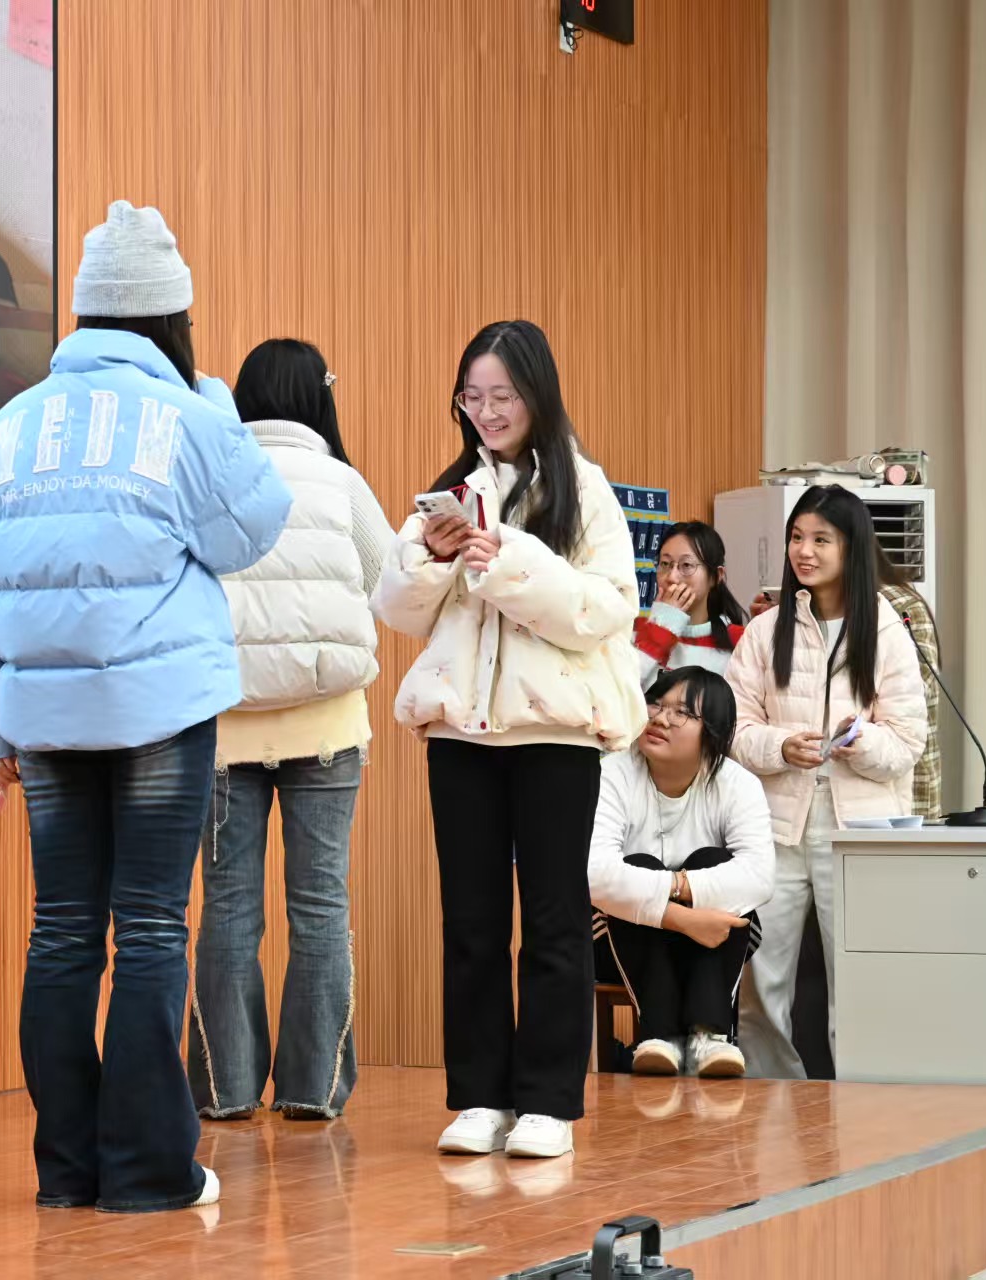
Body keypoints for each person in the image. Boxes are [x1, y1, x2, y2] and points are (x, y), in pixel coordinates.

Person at [0, 201, 291, 1212]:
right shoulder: (187, 420)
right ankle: (147, 1171)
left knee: (61, 932)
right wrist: (213, 403)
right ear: (172, 320)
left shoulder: (0, 433)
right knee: (148, 928)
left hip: (45, 723)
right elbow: (254, 527)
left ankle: (69, 1169)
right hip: (157, 712)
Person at [376, 319, 646, 1159]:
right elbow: (395, 613)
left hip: (556, 735)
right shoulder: (450, 491)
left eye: (502, 396)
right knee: (472, 922)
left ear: (537, 396)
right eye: (472, 397)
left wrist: (509, 561)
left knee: (556, 920)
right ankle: (480, 1098)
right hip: (461, 733)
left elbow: (607, 610)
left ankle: (548, 1103)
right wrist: (429, 556)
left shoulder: (584, 490)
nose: (486, 412)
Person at [187, 338, 393, 1123]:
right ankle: (313, 1087)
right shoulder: (342, 483)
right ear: (319, 398)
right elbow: (386, 582)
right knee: (321, 906)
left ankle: (227, 1088)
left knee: (229, 907)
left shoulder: (214, 480)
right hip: (328, 723)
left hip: (224, 726)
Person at [724, 485, 927, 1079]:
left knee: (858, 976)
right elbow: (731, 729)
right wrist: (780, 746)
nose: (803, 551)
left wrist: (860, 741)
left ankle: (862, 1102)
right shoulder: (766, 630)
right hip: (774, 827)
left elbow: (907, 743)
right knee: (761, 978)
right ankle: (771, 1098)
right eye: (796, 537)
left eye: (820, 539)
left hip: (858, 831)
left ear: (851, 547)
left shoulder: (886, 629)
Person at [590, 668, 775, 1078]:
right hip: (619, 939)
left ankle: (709, 1036)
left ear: (713, 732)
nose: (660, 718)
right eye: (656, 704)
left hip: (716, 939)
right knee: (638, 866)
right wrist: (681, 917)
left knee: (712, 859)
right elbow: (595, 875)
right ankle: (659, 1036)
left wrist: (679, 887)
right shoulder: (611, 773)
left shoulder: (737, 784)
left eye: (682, 713)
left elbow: (759, 876)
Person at [633, 521, 750, 689]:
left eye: (686, 565)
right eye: (665, 564)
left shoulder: (740, 641)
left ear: (716, 576)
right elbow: (619, 693)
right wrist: (661, 628)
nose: (671, 577)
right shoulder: (634, 632)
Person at [876, 550, 942, 819]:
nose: (807, 553)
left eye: (822, 540)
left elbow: (917, 693)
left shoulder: (900, 604)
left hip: (905, 780)